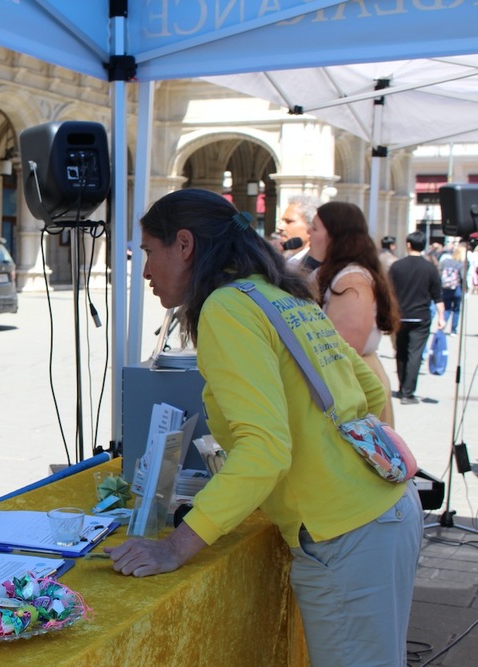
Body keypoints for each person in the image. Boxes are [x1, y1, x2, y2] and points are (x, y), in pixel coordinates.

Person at [107, 188, 422, 667]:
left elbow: (265, 450)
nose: (145, 269)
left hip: (346, 532)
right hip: (384, 512)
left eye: (150, 251)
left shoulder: (228, 307)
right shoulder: (279, 292)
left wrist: (175, 547)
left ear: (185, 244)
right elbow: (370, 394)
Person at [307, 201, 399, 425]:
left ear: (335, 235)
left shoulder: (351, 279)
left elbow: (346, 345)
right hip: (345, 378)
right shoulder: (339, 273)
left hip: (351, 382)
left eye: (315, 227)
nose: (308, 232)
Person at [389, 231, 445, 404]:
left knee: (401, 352)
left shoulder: (397, 266)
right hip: (420, 317)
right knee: (415, 354)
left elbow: (388, 292)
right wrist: (441, 317)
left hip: (400, 316)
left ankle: (401, 387)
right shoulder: (430, 268)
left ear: (408, 244)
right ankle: (408, 392)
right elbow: (438, 296)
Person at [276, 194, 321, 270]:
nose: (280, 227)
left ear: (311, 226)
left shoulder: (316, 266)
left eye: (289, 221)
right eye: (282, 221)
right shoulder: (285, 256)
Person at [438, 242, 466, 335]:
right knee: (456, 310)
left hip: (446, 288)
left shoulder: (445, 261)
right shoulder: (461, 264)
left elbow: (439, 273)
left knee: (447, 308)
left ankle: (442, 326)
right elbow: (463, 277)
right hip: (457, 288)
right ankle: (453, 330)